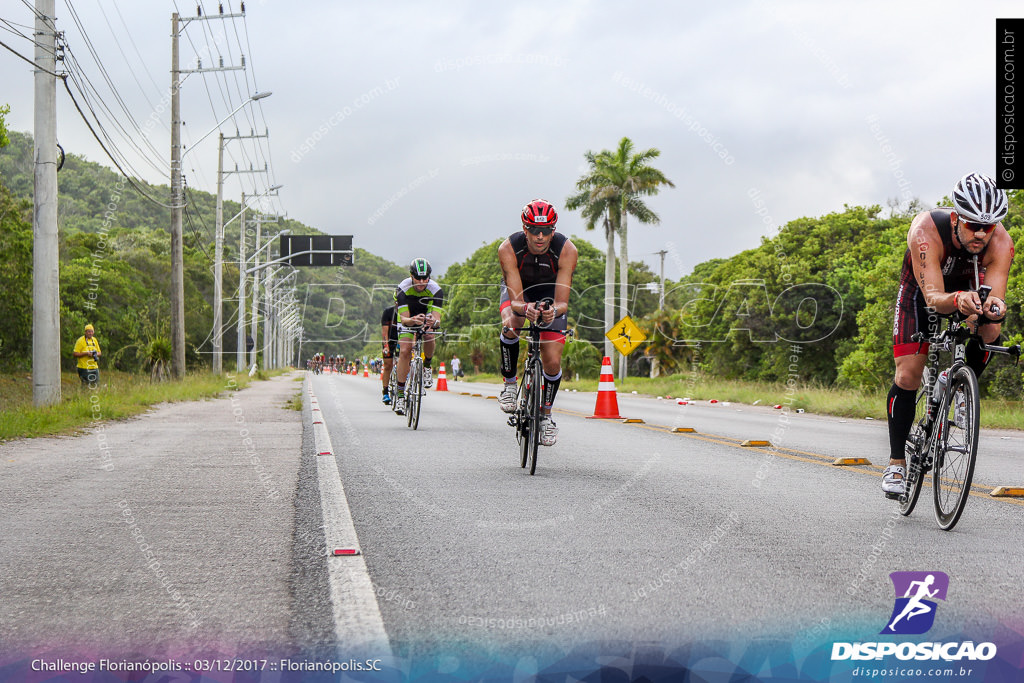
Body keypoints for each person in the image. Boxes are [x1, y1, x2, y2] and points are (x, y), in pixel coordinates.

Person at [882, 172, 1014, 497]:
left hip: (967, 284)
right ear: (956, 218)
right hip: (923, 291)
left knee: (991, 326)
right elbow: (934, 299)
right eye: (973, 225)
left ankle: (953, 380)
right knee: (909, 373)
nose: (981, 234)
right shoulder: (925, 231)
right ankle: (897, 463)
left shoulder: (1001, 243)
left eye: (989, 226)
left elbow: (995, 299)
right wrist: (957, 300)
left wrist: (992, 308)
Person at [496, 199, 578, 446]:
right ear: (525, 228)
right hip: (519, 294)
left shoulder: (567, 250)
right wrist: (525, 308)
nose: (540, 236)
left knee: (552, 360)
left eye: (546, 230)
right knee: (512, 322)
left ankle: (546, 416)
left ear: (554, 229)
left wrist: (552, 311)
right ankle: (510, 385)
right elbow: (516, 301)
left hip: (551, 297)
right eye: (534, 230)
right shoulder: (508, 248)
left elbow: (563, 302)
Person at [393, 258, 444, 415]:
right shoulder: (402, 289)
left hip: (425, 313)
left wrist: (433, 322)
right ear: (411, 276)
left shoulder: (436, 290)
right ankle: (401, 395)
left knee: (429, 334)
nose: (422, 282)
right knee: (405, 350)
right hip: (408, 316)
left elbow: (437, 320)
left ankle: (427, 367)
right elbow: (404, 319)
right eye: (418, 278)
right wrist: (413, 321)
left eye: (425, 278)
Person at [379, 304, 399, 404]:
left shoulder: (409, 311)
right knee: (388, 365)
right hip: (389, 340)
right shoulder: (388, 312)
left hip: (403, 340)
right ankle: (385, 392)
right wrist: (386, 345)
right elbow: (384, 332)